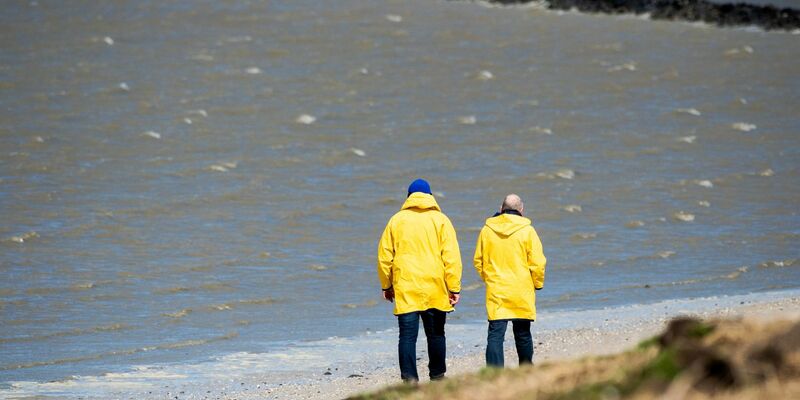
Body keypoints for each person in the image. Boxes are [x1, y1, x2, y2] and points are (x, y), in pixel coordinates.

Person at [377, 179, 463, 382]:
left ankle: (409, 379)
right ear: (430, 196)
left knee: (407, 336)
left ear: (408, 197)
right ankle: (438, 375)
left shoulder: (396, 220)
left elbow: (384, 257)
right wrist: (454, 287)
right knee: (436, 334)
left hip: (406, 286)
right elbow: (451, 258)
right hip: (434, 286)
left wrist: (386, 285)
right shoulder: (441, 220)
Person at [473, 194, 546, 368]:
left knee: (495, 334)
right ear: (521, 210)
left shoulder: (487, 230)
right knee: (522, 333)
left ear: (501, 209)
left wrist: (489, 278)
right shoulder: (527, 230)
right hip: (521, 289)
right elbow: (538, 262)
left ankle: (494, 374)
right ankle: (526, 369)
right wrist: (537, 283)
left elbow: (478, 260)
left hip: (497, 289)